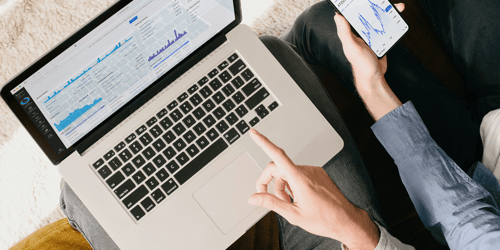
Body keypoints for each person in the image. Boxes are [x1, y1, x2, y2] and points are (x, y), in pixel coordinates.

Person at [61, 1, 500, 250]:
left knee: (78, 190)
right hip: (487, 153)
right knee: (313, 32)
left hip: (465, 186)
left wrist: (354, 229)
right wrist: (371, 84)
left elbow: (462, 220)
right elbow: (467, 221)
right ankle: (264, 72)